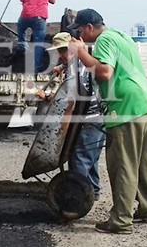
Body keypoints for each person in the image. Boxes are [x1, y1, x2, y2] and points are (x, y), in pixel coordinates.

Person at [68, 9, 147, 235]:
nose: (79, 35)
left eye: (80, 30)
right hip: (144, 103)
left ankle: (120, 221)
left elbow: (105, 72)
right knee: (143, 162)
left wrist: (80, 52)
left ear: (90, 27)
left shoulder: (104, 40)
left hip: (125, 108)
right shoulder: (121, 36)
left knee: (123, 164)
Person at [36, 32, 105, 200]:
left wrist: (47, 97)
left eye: (63, 51)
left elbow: (69, 99)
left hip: (88, 119)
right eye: (58, 51)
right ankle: (93, 192)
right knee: (90, 157)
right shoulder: (81, 61)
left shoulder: (77, 68)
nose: (60, 55)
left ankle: (76, 199)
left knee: (79, 159)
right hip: (97, 118)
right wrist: (62, 67)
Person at [19, 0, 56, 73]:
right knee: (38, 42)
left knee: (21, 27)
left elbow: (23, 1)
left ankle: (22, 47)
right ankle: (36, 68)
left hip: (26, 15)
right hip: (40, 17)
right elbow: (53, 1)